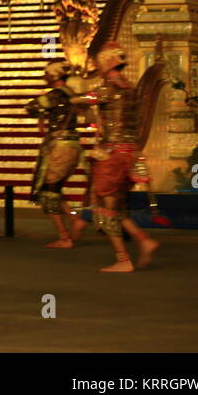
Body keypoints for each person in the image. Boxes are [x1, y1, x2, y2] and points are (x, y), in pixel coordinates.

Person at [76, 42, 159, 273]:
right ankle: (144, 239)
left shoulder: (108, 89)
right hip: (130, 154)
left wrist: (71, 95)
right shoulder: (130, 88)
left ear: (106, 63)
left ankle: (123, 260)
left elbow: (81, 99)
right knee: (118, 208)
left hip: (111, 156)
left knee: (106, 209)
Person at [24, 59, 85, 248]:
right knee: (55, 187)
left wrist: (41, 115)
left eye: (47, 74)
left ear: (54, 75)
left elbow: (31, 106)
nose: (45, 78)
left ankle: (64, 236)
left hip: (59, 147)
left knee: (48, 192)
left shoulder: (56, 95)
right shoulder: (71, 93)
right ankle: (74, 219)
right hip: (72, 146)